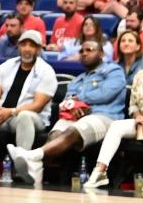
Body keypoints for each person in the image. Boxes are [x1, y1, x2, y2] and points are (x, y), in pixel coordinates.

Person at [7, 40, 127, 185]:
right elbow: (66, 101)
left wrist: (79, 100)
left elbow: (106, 93)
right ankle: (36, 168)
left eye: (89, 49)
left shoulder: (113, 71)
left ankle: (32, 156)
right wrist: (73, 106)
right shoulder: (79, 79)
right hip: (76, 117)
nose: (84, 53)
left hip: (105, 117)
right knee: (56, 133)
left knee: (72, 129)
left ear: (101, 53)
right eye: (81, 51)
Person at [83, 38, 143, 190]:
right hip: (141, 120)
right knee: (116, 125)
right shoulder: (141, 75)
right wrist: (138, 116)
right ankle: (99, 171)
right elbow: (133, 104)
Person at [0, 29, 55, 152]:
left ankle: (22, 164)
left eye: (32, 45)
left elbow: (38, 105)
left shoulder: (46, 71)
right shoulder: (6, 66)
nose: (27, 49)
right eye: (24, 44)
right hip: (2, 116)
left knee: (24, 117)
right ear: (18, 47)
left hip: (31, 118)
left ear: (39, 49)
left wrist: (11, 112)